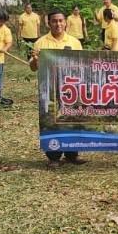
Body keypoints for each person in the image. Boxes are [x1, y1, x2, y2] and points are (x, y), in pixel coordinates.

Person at [30, 9, 85, 168]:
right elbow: (33, 68)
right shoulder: (41, 43)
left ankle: (72, 154)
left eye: (61, 20)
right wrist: (34, 59)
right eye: (54, 21)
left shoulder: (74, 42)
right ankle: (54, 156)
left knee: (72, 119)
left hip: (70, 89)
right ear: (49, 23)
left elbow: (82, 65)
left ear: (65, 22)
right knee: (51, 121)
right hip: (49, 89)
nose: (58, 24)